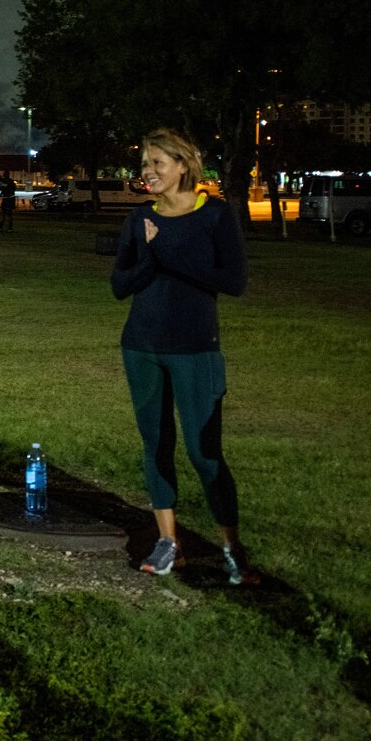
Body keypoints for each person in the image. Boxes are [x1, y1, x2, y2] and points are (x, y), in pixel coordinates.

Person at [109, 128, 255, 584]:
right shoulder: (139, 220)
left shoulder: (214, 215)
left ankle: (232, 547)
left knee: (204, 451)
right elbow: (119, 285)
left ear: (183, 165)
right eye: (145, 164)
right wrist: (152, 257)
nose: (148, 172)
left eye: (157, 163)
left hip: (195, 349)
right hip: (142, 346)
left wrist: (164, 252)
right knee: (157, 446)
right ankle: (169, 542)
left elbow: (232, 281)